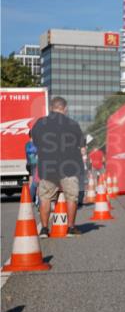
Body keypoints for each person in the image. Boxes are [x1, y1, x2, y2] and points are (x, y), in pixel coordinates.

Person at [29, 97, 85, 237]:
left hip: (47, 167)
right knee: (71, 197)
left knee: (46, 197)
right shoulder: (72, 124)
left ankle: (44, 230)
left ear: (51, 108)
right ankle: (70, 228)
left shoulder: (40, 123)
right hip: (69, 167)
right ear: (64, 108)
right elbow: (82, 145)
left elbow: (34, 142)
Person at [25, 138, 39, 206]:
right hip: (34, 164)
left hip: (29, 164)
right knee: (36, 182)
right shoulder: (34, 144)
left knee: (31, 181)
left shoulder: (27, 144)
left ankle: (30, 199)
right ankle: (35, 199)